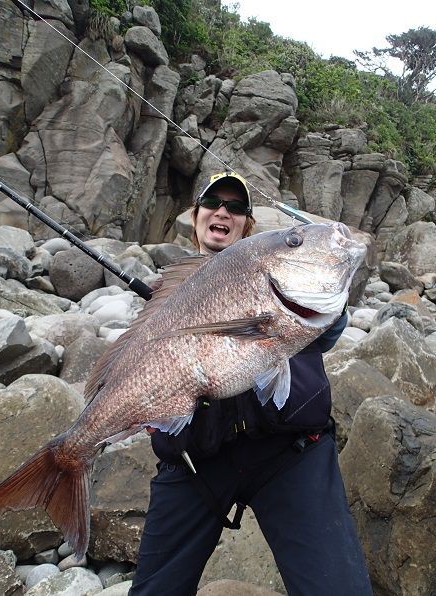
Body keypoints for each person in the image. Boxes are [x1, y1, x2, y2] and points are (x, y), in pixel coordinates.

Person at [129, 172, 373, 596]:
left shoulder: (288, 276)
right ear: (195, 216)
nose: (223, 211)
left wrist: (326, 271)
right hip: (194, 463)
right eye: (213, 202)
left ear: (247, 224)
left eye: (237, 207)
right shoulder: (166, 294)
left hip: (292, 454)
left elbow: (330, 319)